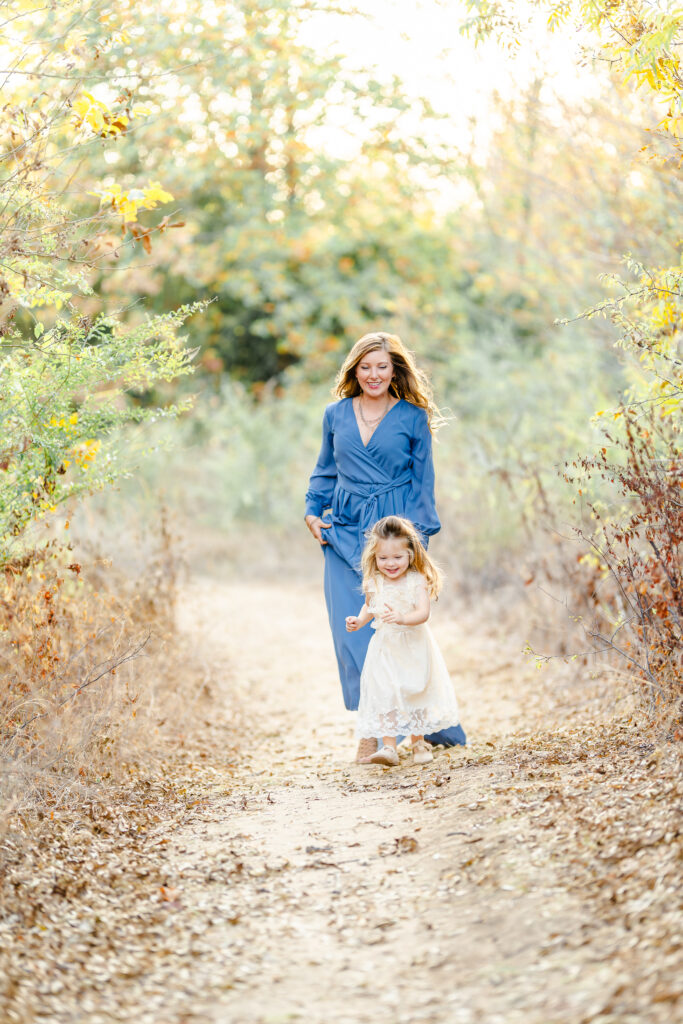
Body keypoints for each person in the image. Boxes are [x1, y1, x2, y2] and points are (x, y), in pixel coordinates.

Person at [304, 330, 466, 760]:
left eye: (382, 366)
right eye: (365, 367)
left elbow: (423, 482)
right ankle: (372, 729)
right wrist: (312, 511)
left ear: (395, 371)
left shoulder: (413, 418)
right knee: (351, 634)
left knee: (396, 634)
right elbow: (324, 470)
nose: (373, 374)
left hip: (392, 535)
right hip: (343, 533)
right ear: (354, 370)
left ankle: (401, 729)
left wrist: (417, 542)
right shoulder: (335, 414)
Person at [346, 516, 461, 767]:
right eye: (383, 558)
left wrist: (402, 618)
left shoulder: (416, 580)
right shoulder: (374, 582)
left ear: (410, 554)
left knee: (414, 690)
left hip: (413, 645)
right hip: (385, 646)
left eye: (397, 557)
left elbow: (423, 613)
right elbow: (369, 607)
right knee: (385, 692)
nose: (390, 563)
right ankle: (389, 747)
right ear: (374, 557)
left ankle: (419, 743)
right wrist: (359, 620)